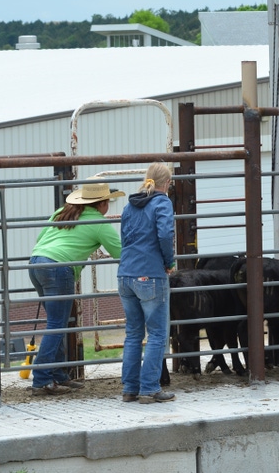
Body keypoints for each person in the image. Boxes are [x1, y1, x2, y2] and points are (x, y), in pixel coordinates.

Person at [28, 179, 124, 396]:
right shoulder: (98, 222)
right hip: (59, 268)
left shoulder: (62, 212)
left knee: (58, 322)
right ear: (101, 204)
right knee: (57, 324)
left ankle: (58, 374)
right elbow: (121, 253)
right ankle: (42, 379)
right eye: (108, 201)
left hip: (36, 263)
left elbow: (40, 238)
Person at [118, 163, 177, 404]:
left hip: (126, 275)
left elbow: (124, 237)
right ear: (167, 183)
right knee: (157, 334)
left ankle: (130, 389)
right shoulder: (162, 202)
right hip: (150, 274)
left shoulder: (130, 205)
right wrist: (168, 261)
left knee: (133, 334)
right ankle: (150, 388)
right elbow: (165, 234)